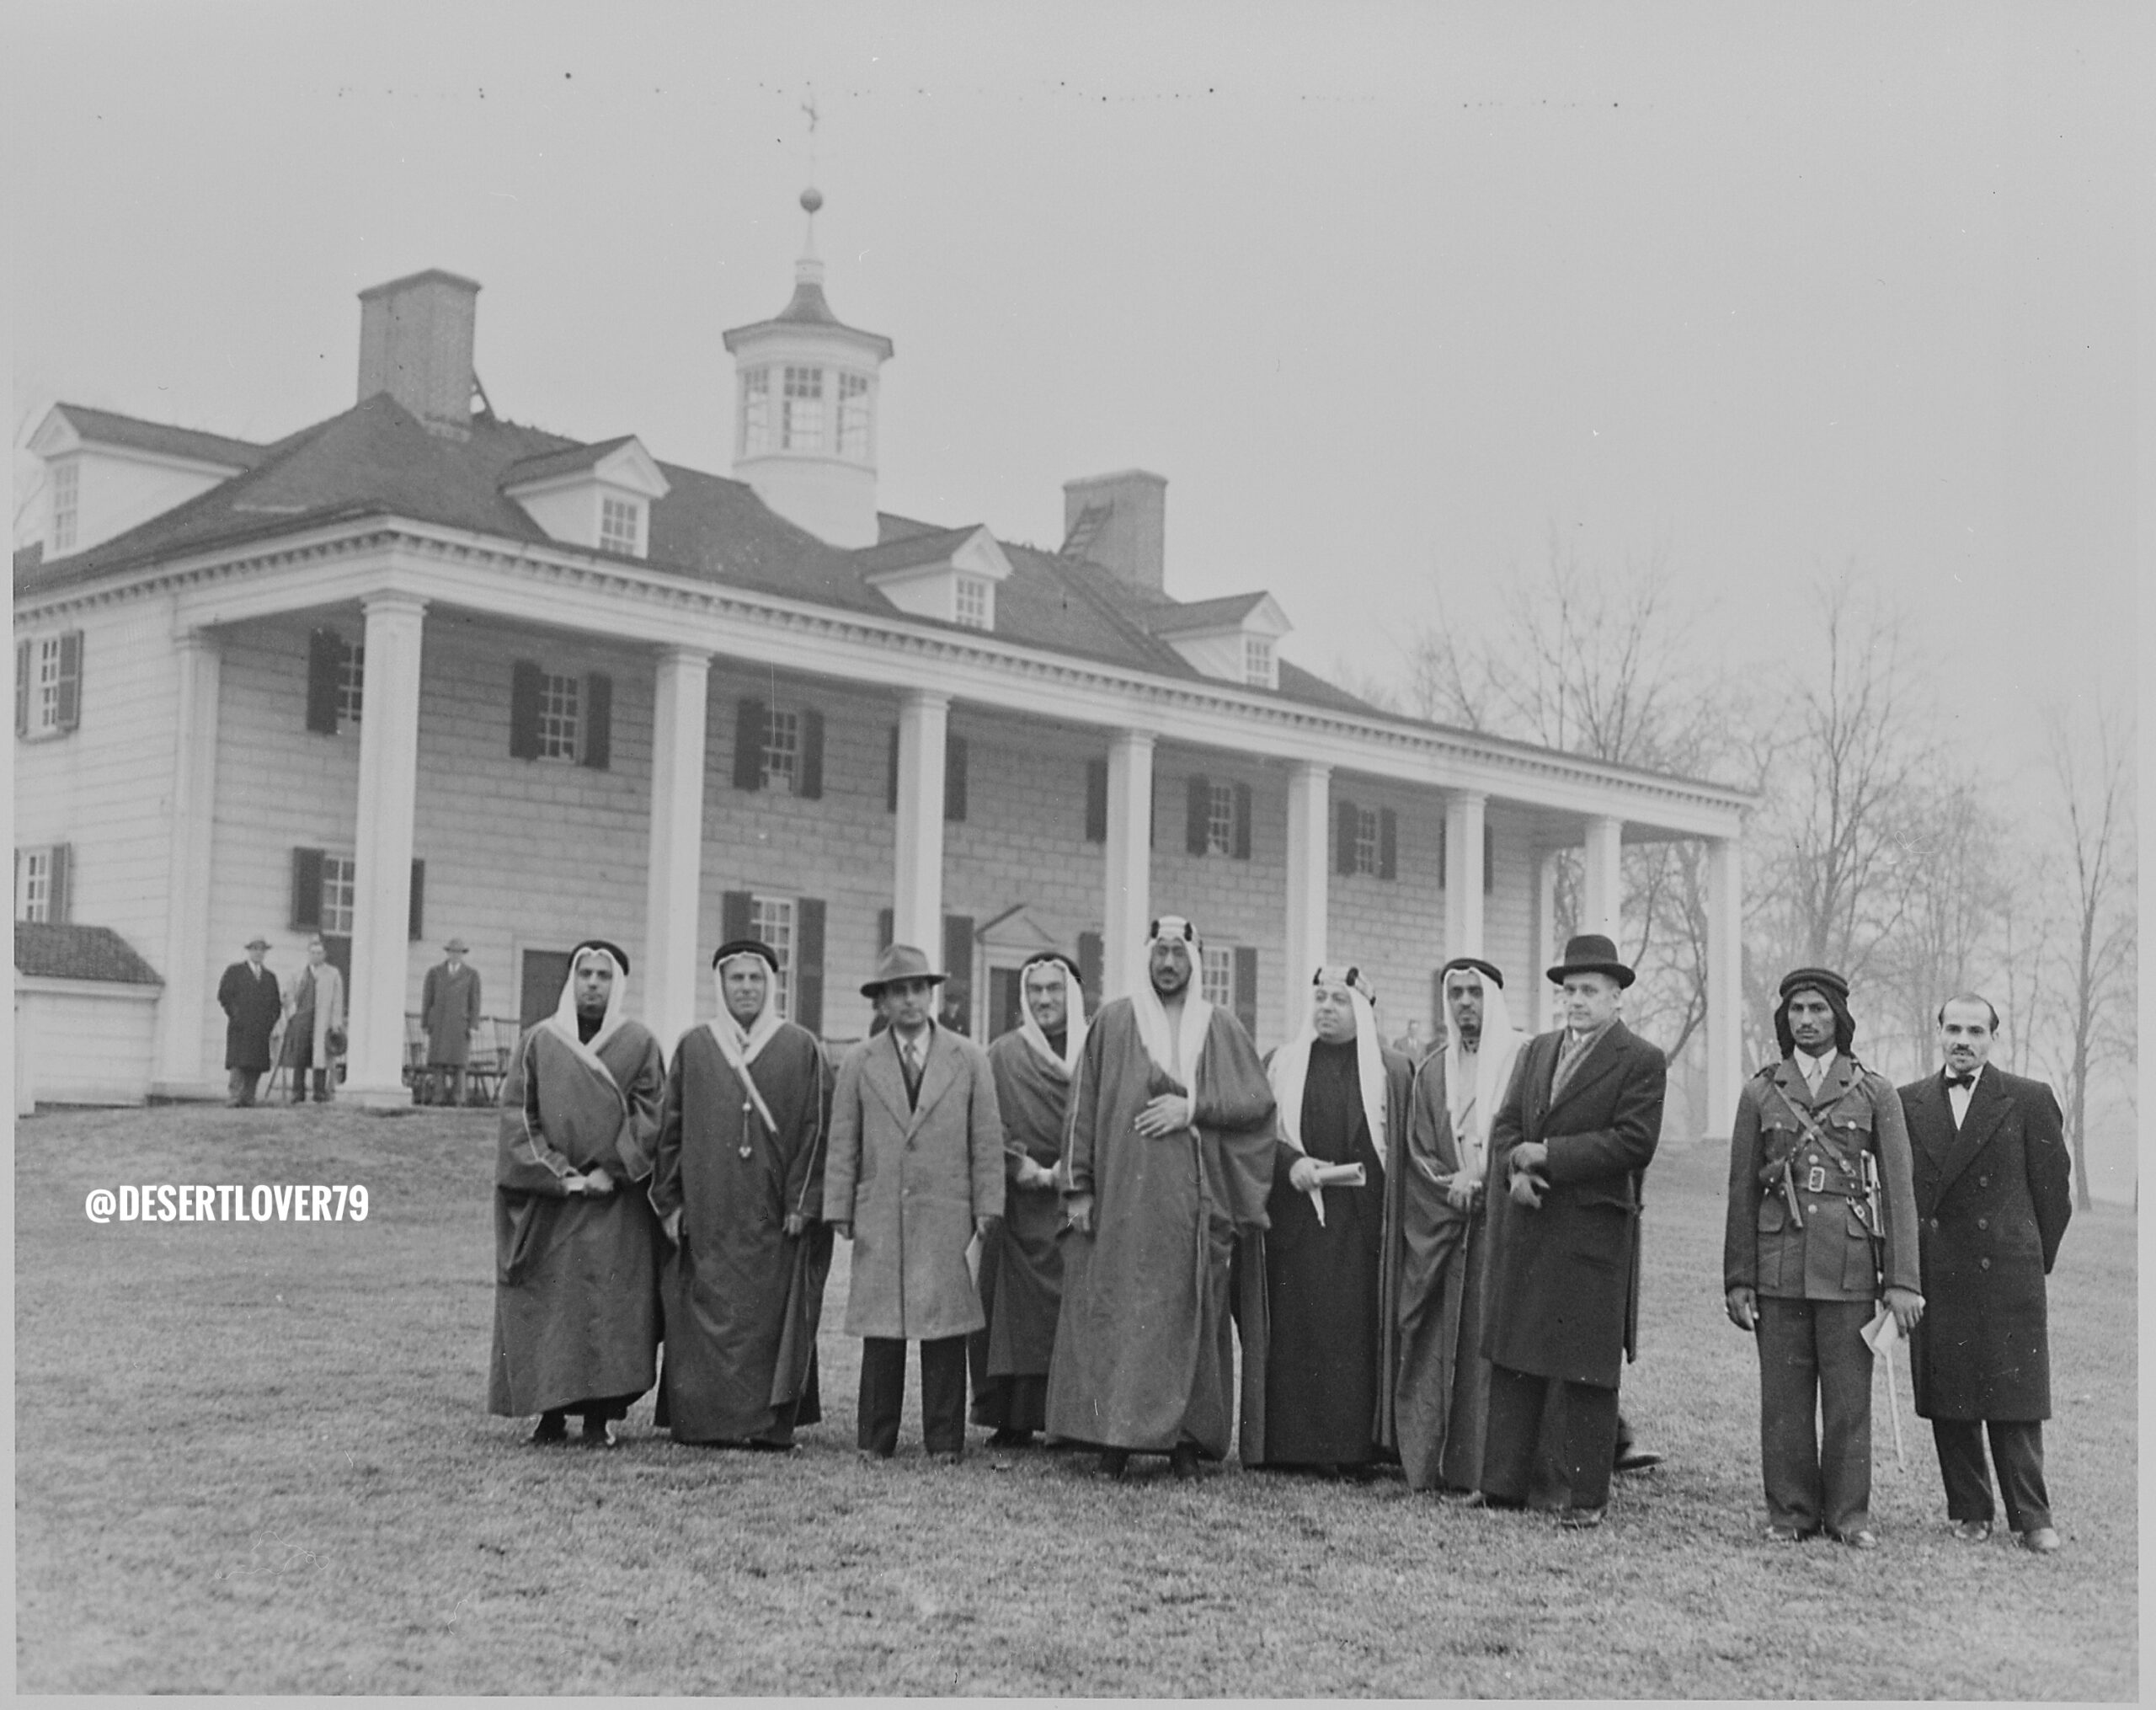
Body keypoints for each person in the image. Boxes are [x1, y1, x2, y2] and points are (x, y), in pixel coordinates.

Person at [1045, 916, 1276, 1480]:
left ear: (1194, 961)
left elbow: (1256, 1103)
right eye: (1160, 953)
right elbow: (1082, 1107)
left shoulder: (1219, 1026)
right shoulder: (1115, 1022)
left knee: (1191, 1308)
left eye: (1179, 953)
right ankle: (1115, 1437)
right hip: (1125, 1196)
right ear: (1147, 958)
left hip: (1194, 1200)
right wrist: (1077, 1187)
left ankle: (1187, 1441)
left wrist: (1195, 1108)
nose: (1169, 964)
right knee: (1124, 1311)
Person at [1723, 968, 1923, 1547]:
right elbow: (1740, 1190)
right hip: (1778, 1263)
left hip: (1851, 1265)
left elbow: (1899, 1190)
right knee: (1783, 1403)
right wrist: (1739, 1278)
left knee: (1847, 1404)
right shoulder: (1761, 1091)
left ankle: (1848, 1518)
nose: (1805, 1021)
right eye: (1796, 1011)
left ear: (1839, 1017)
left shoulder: (1874, 1091)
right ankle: (1790, 1514)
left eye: (1817, 1010)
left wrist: (1902, 1281)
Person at [1478, 932, 1666, 1527]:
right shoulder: (1536, 1052)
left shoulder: (1640, 1059)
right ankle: (1502, 1486)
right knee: (1515, 1358)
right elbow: (1507, 1122)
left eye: (1589, 991)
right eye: (1569, 990)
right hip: (1531, 1224)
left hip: (1592, 1234)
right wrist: (1514, 1169)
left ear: (1616, 999)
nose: (1576, 1001)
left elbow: (1634, 1143)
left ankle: (1586, 1499)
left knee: (1587, 1368)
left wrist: (1550, 1156)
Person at [1898, 996, 2073, 1554]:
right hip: (1939, 1271)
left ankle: (2033, 1516)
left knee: (2015, 1399)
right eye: (1954, 1028)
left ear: (1993, 1038)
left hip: (2007, 1275)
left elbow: (2054, 1195)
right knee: (1949, 1397)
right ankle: (1970, 1511)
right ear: (1939, 1033)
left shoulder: (2027, 1098)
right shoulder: (1908, 1103)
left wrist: (2027, 1257)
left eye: (1976, 1030)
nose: (1963, 1040)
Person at [651, 940, 835, 1450]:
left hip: (775, 1213)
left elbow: (818, 1130)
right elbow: (670, 1130)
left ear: (771, 985)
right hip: (709, 1207)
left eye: (756, 979)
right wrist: (669, 1201)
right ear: (721, 984)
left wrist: (803, 1201)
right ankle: (708, 1424)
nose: (747, 988)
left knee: (770, 1313)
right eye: (737, 979)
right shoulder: (694, 1046)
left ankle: (768, 1426)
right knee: (706, 1307)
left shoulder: (801, 1047)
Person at [825, 944, 1005, 1463]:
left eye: (919, 989)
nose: (910, 1000)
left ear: (932, 996)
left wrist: (987, 1203)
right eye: (898, 991)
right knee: (882, 1330)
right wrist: (840, 1205)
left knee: (943, 1327)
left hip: (946, 1210)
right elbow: (844, 1139)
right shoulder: (860, 1061)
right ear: (881, 1002)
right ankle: (874, 1439)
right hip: (880, 1206)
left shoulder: (968, 1058)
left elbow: (986, 1140)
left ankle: (944, 1441)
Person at [487, 940, 665, 1448]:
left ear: (618, 985)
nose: (592, 983)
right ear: (571, 980)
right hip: (555, 1202)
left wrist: (614, 1169)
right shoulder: (538, 1041)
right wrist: (562, 1174)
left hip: (615, 1202)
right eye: (584, 973)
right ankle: (549, 1414)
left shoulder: (639, 1043)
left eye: (603, 976)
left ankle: (599, 1417)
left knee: (611, 1308)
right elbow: (518, 1116)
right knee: (554, 1306)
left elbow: (651, 1115)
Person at [1238, 965, 1413, 1476]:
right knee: (1297, 1330)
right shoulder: (1281, 1063)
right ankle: (1292, 1447)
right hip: (1296, 1221)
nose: (1327, 1009)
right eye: (1320, 998)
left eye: (1339, 1000)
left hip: (1362, 1226)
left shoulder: (1393, 1071)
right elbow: (1254, 1131)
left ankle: (1354, 1449)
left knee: (1353, 1334)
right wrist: (1291, 1162)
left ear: (1361, 1010)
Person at [1390, 955, 1523, 1495]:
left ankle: (1494, 1467)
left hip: (1505, 1225)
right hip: (1449, 1224)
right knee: (1444, 1341)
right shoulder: (1432, 1069)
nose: (1465, 1003)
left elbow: (1529, 1133)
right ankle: (1439, 1461)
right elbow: (1420, 1149)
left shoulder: (1524, 1060)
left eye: (1474, 993)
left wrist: (1484, 1177)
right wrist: (1454, 1186)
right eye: (1456, 994)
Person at [970, 950, 1088, 1449]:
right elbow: (985, 1126)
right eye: (1035, 990)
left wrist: (1077, 1169)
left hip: (1082, 1200)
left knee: (1077, 1309)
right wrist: (1028, 1170)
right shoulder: (1003, 1054)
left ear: (1073, 995)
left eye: (1054, 989)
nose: (1044, 999)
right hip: (1022, 1203)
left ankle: (1076, 1421)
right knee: (1016, 1314)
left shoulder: (1096, 1049)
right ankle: (1014, 1418)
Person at [278, 933, 344, 1103]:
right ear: (308, 954)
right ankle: (298, 1093)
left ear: (325, 954)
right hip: (302, 1021)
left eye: (319, 953)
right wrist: (292, 1013)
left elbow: (337, 1001)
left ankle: (319, 1093)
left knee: (320, 1057)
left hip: (322, 1021)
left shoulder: (332, 974)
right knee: (300, 1056)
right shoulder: (298, 973)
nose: (316, 956)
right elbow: (288, 995)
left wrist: (336, 1023)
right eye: (313, 952)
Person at [216, 935, 281, 1107]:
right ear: (249, 951)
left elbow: (276, 1004)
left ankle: (249, 1097)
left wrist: (269, 1022)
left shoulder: (269, 978)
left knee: (256, 1063)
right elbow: (224, 995)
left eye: (262, 950)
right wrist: (235, 1014)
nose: (259, 953)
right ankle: (235, 1096)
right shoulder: (235, 972)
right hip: (241, 1027)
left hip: (261, 1029)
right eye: (255, 949)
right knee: (238, 1062)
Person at [421, 937, 483, 1106]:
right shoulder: (435, 973)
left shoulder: (471, 975)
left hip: (460, 1025)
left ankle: (458, 1099)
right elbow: (428, 1000)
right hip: (440, 1024)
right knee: (438, 1062)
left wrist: (473, 1025)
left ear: (463, 954)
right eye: (452, 952)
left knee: (459, 1064)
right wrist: (426, 1022)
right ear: (447, 953)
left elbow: (475, 1003)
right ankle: (438, 1097)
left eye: (459, 952)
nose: (455, 955)